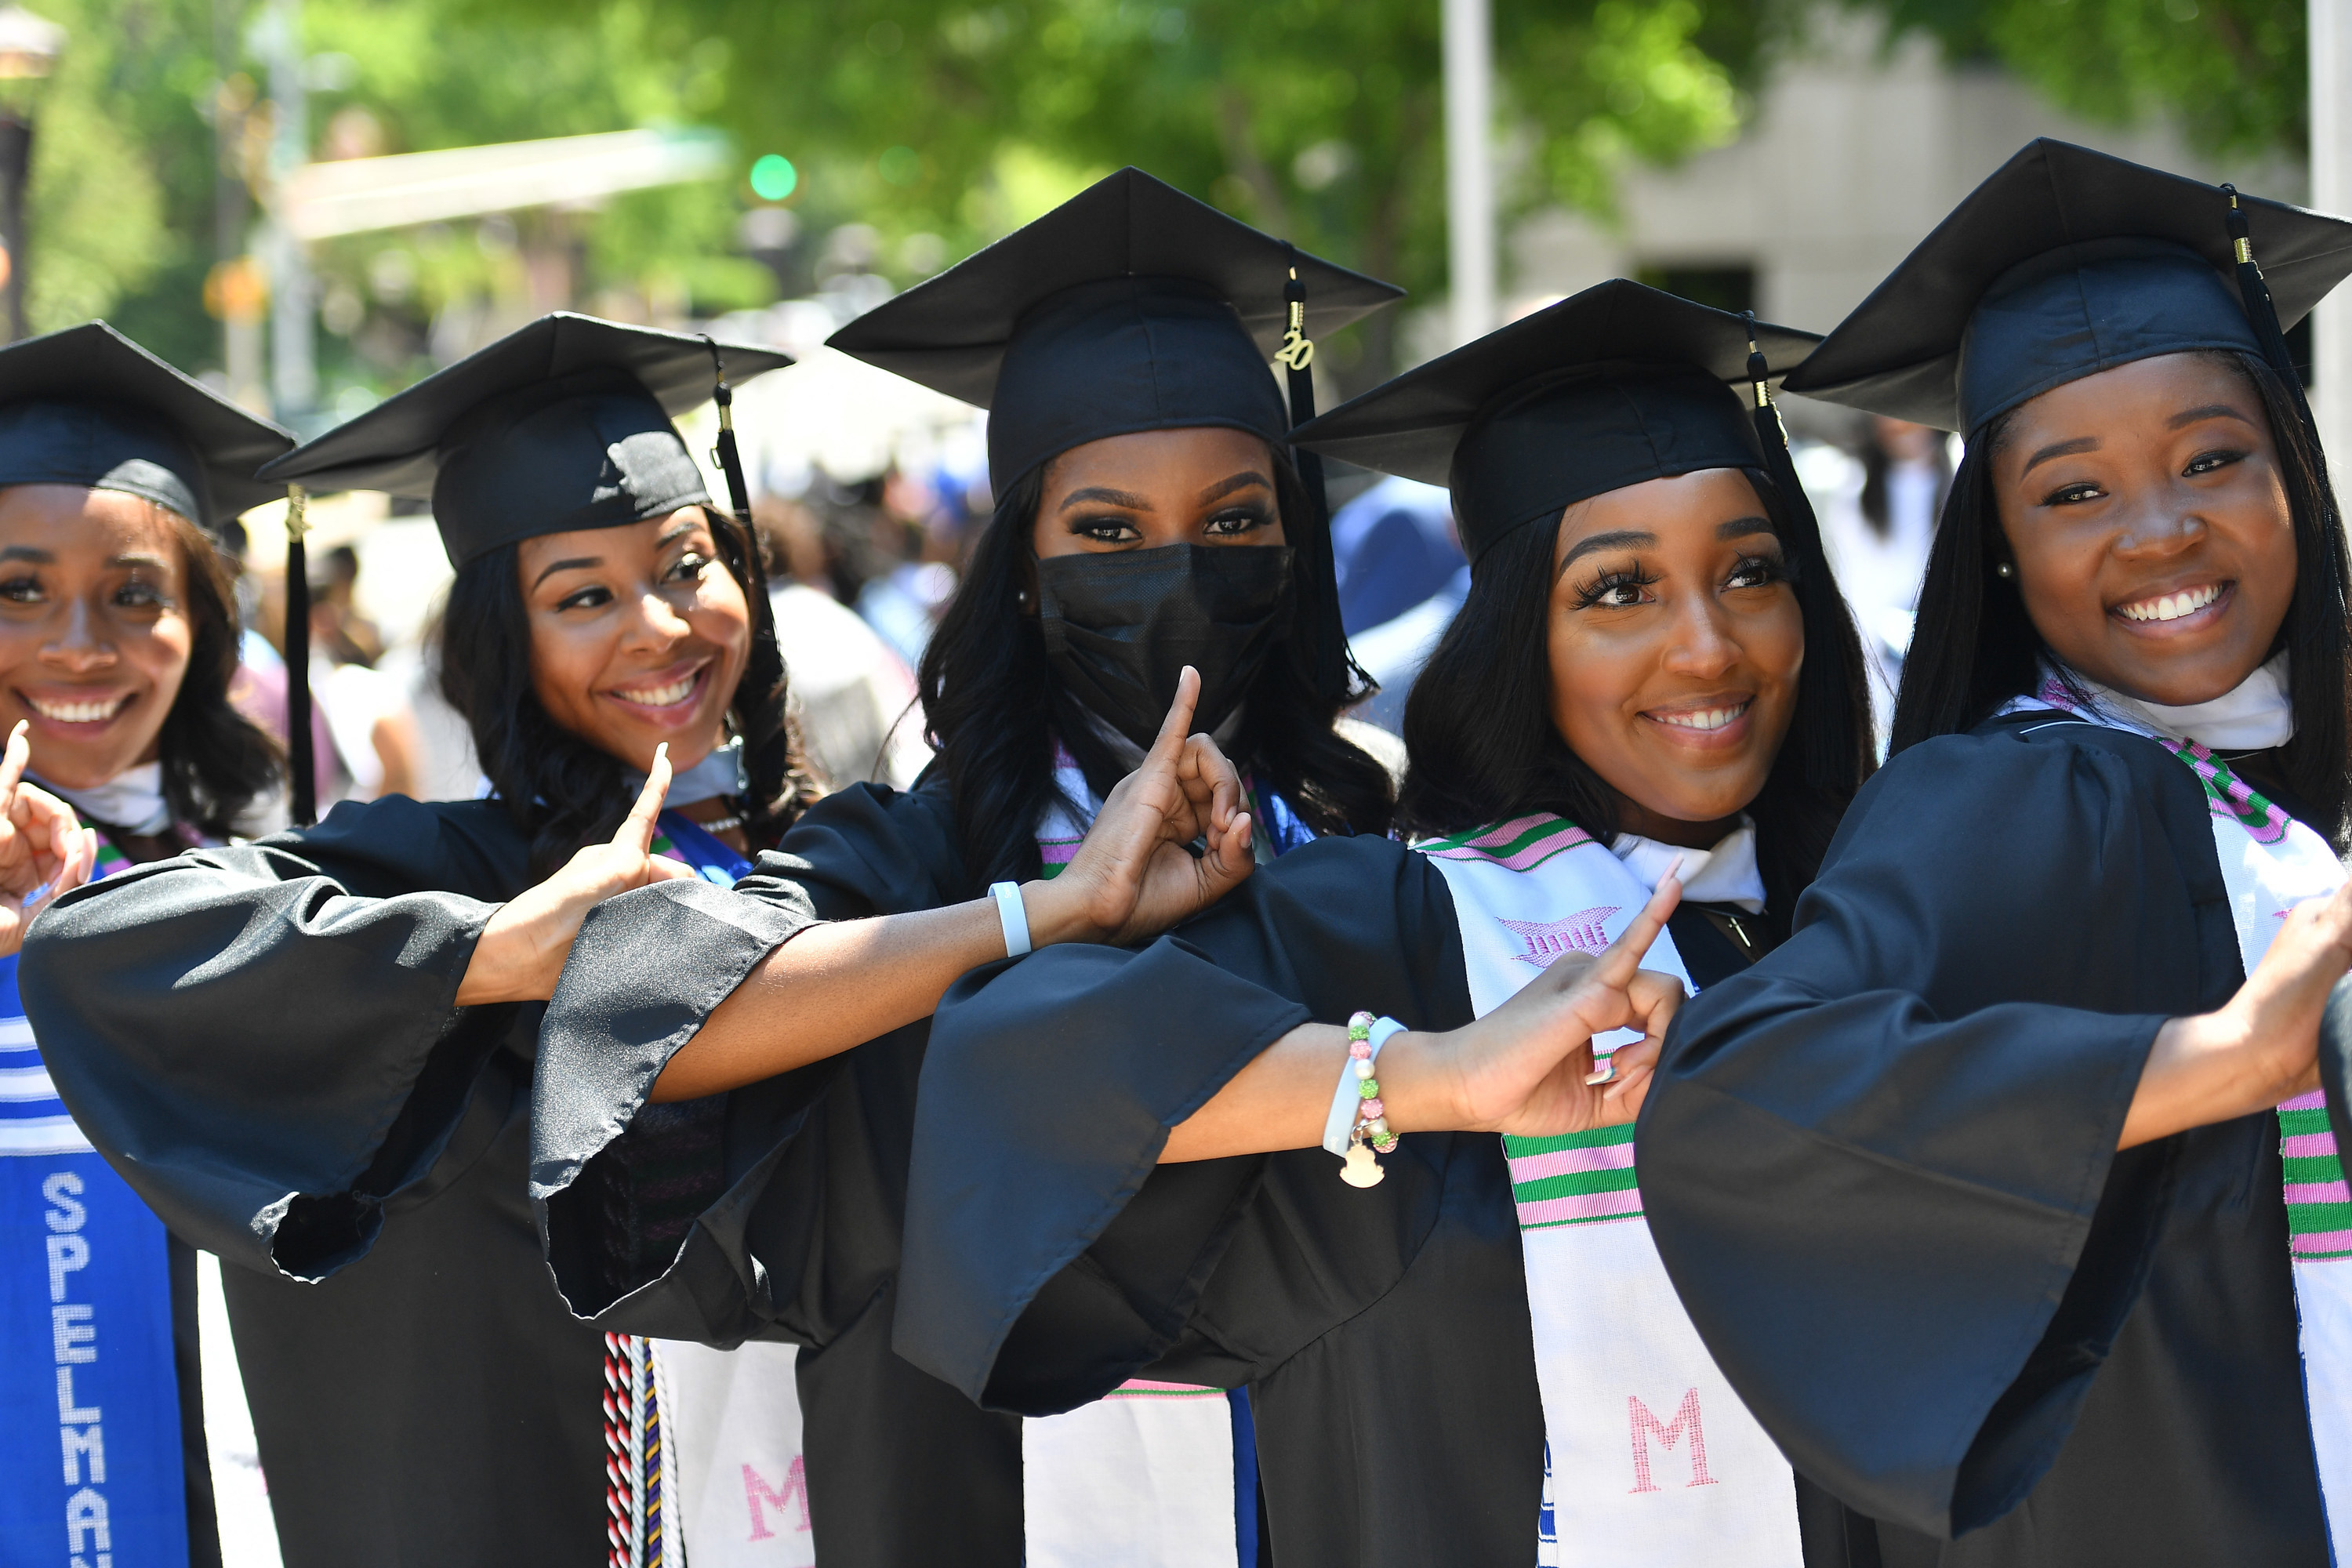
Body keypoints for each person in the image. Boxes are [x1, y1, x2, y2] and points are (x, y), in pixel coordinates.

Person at [902, 280, 1877, 1568]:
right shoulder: (1404, 922)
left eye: (1751, 572)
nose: (1707, 646)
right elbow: (1012, 1078)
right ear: (1517, 632)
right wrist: (1431, 1072)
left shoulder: (1880, 910)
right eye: (1617, 591)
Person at [524, 168, 1404, 1568]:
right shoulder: (922, 848)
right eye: (1106, 533)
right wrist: (1045, 913)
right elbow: (640, 1022)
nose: (1178, 571)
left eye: (1236, 521)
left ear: (1296, 546)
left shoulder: (1382, 837)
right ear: (1024, 569)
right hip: (983, 1503)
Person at [1643, 138, 2352, 1566]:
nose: (2161, 531)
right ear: (2003, 549)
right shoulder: (2017, 797)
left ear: (2296, 474)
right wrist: (2197, 1068)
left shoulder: (2307, 779)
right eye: (2074, 493)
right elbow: (1742, 1099)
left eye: (2216, 457)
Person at [22, 313, 815, 1568]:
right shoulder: (394, 874)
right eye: (582, 595)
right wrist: (497, 951)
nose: (78, 644)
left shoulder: (855, 848)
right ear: (506, 639)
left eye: (134, 594)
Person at [0, 321, 291, 1568]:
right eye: (17, 589)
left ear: (202, 626)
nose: (78, 645)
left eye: (134, 595)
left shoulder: (277, 887)